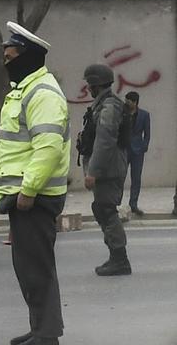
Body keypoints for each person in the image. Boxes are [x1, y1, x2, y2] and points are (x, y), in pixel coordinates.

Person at [0, 21, 69, 345]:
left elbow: (48, 146)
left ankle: (47, 334)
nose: (6, 61)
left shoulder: (42, 93)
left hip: (35, 196)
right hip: (24, 195)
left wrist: (28, 190)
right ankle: (40, 327)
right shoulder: (26, 89)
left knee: (36, 268)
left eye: (9, 55)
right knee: (29, 267)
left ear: (27, 56)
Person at [80, 64, 131, 276]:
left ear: (95, 84)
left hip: (108, 169)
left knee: (106, 210)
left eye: (89, 84)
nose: (88, 88)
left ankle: (119, 259)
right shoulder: (102, 105)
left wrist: (93, 172)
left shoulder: (109, 107)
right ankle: (116, 256)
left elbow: (105, 141)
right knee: (102, 209)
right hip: (107, 167)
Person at [123, 91, 151, 216]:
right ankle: (117, 203)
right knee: (120, 177)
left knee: (136, 178)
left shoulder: (144, 115)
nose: (126, 103)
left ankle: (133, 204)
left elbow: (147, 133)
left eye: (129, 101)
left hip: (137, 151)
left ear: (135, 102)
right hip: (124, 149)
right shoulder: (123, 114)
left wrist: (144, 147)